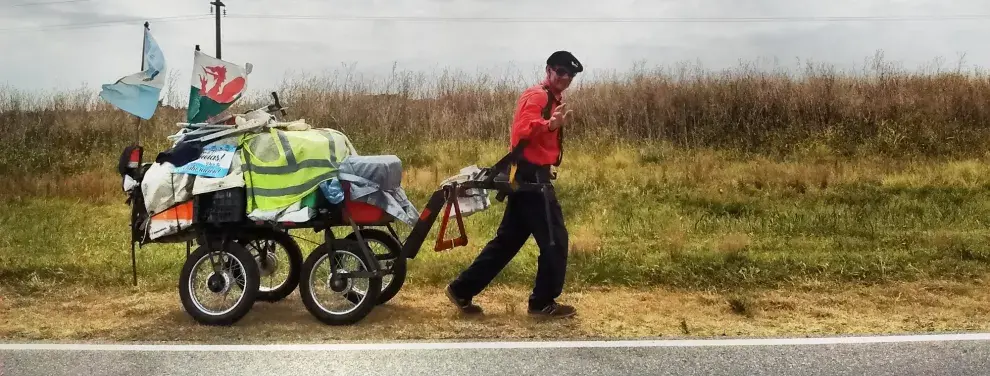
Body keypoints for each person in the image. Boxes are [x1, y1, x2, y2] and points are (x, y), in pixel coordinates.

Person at [445, 50, 583, 319]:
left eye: (571, 75)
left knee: (506, 243)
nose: (565, 78)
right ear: (549, 70)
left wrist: (550, 128)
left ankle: (461, 289)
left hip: (527, 179)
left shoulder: (552, 98)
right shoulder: (538, 96)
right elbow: (523, 131)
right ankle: (542, 304)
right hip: (532, 181)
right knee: (555, 241)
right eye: (561, 72)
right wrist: (549, 125)